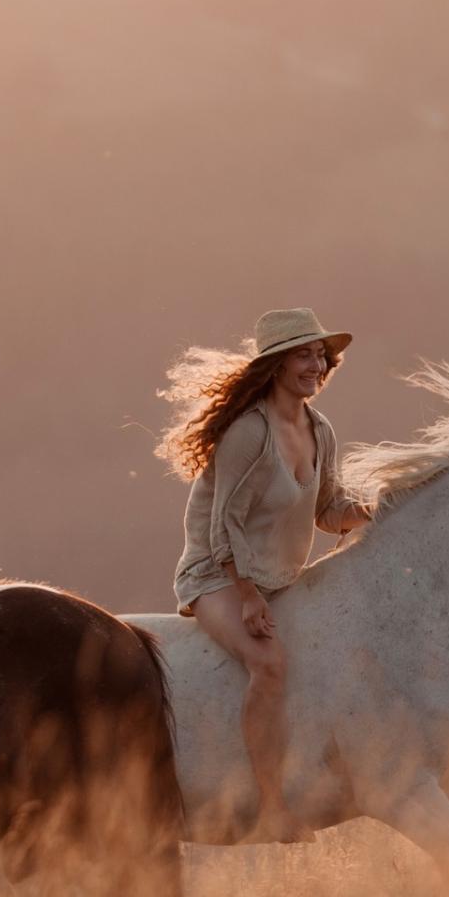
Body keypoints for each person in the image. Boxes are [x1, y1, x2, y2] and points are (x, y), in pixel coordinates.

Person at [158, 307, 372, 843]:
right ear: (277, 364)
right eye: (304, 354)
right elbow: (224, 522)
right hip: (218, 576)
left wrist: (378, 510)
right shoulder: (248, 434)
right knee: (270, 664)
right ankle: (273, 806)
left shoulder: (320, 430)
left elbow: (327, 511)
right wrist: (248, 596)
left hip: (279, 580)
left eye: (321, 355)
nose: (317, 364)